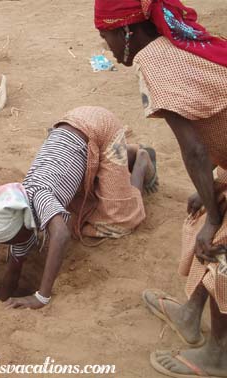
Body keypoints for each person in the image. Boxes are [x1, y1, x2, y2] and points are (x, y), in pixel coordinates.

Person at [95, 0, 227, 376]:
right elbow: (216, 111)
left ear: (126, 32)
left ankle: (220, 353)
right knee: (208, 209)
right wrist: (209, 196)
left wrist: (214, 217)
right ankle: (189, 315)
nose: (104, 44)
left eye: (105, 36)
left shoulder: (154, 62)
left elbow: (195, 149)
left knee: (219, 245)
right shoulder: (175, 47)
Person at [0, 106, 158, 309]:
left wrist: (41, 296)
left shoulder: (38, 194)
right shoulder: (18, 209)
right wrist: (2, 303)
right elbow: (15, 265)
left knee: (118, 221)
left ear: (21, 225)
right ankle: (115, 161)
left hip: (98, 128)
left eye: (13, 239)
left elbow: (61, 235)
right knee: (78, 218)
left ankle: (138, 159)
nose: (14, 244)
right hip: (72, 131)